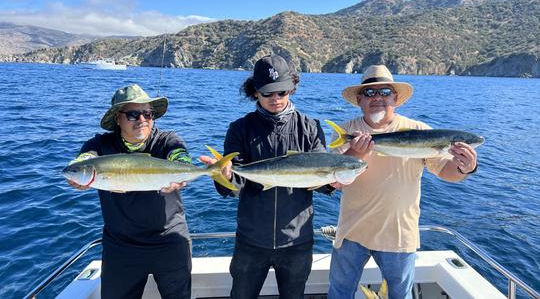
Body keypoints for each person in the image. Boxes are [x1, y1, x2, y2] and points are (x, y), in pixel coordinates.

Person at [327, 65, 479, 299]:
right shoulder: (348, 130)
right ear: (359, 100)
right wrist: (357, 154)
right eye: (369, 92)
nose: (377, 97)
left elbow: (446, 172)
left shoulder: (420, 130)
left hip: (399, 235)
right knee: (339, 294)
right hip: (351, 232)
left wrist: (465, 167)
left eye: (385, 92)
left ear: (395, 98)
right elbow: (333, 180)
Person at [200, 54, 334, 299]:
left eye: (282, 92)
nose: (276, 99)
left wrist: (333, 180)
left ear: (292, 88)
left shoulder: (310, 127)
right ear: (255, 92)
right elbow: (235, 185)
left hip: (297, 240)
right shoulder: (240, 128)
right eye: (268, 93)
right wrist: (224, 176)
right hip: (251, 240)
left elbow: (321, 176)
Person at [65, 84, 192, 299]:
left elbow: (179, 155)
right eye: (133, 114)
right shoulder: (100, 145)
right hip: (121, 247)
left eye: (148, 113)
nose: (142, 119)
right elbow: (84, 159)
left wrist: (185, 171)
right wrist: (77, 168)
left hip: (170, 242)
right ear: (117, 118)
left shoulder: (167, 140)